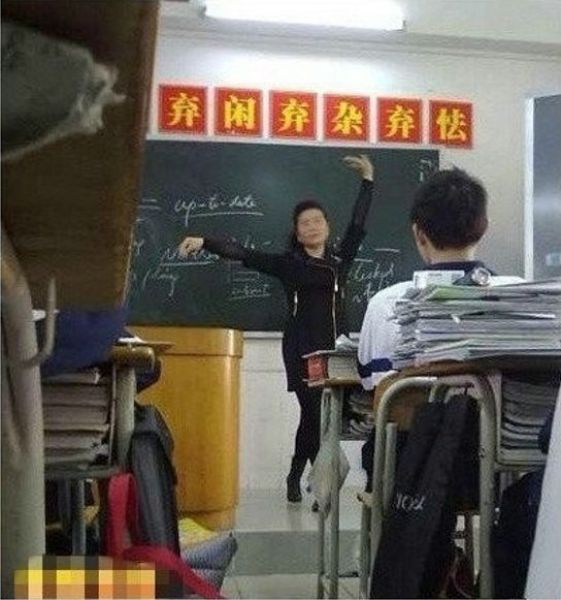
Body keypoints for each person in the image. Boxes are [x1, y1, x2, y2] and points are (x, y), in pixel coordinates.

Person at [179, 154, 375, 507]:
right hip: (301, 348)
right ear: (297, 233)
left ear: (327, 227)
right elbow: (243, 253)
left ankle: (294, 474)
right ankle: (322, 489)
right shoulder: (288, 264)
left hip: (336, 350)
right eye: (305, 223)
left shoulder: (340, 261)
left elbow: (358, 224)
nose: (312, 226)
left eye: (317, 221)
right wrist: (204, 241)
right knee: (314, 414)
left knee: (320, 419)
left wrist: (368, 182)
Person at [358, 166, 494, 391]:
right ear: (484, 227)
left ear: (418, 233)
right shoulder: (525, 300)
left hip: (412, 413)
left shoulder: (386, 304)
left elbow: (372, 383)